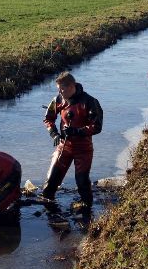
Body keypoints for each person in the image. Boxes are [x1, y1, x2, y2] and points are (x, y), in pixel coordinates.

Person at [42, 71, 103, 209]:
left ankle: (87, 209)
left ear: (72, 86)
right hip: (64, 146)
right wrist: (54, 134)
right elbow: (48, 118)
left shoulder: (89, 101)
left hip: (83, 148)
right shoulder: (58, 100)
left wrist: (77, 131)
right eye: (58, 89)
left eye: (62, 89)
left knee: (81, 182)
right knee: (50, 183)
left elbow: (97, 126)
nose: (60, 92)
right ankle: (49, 211)